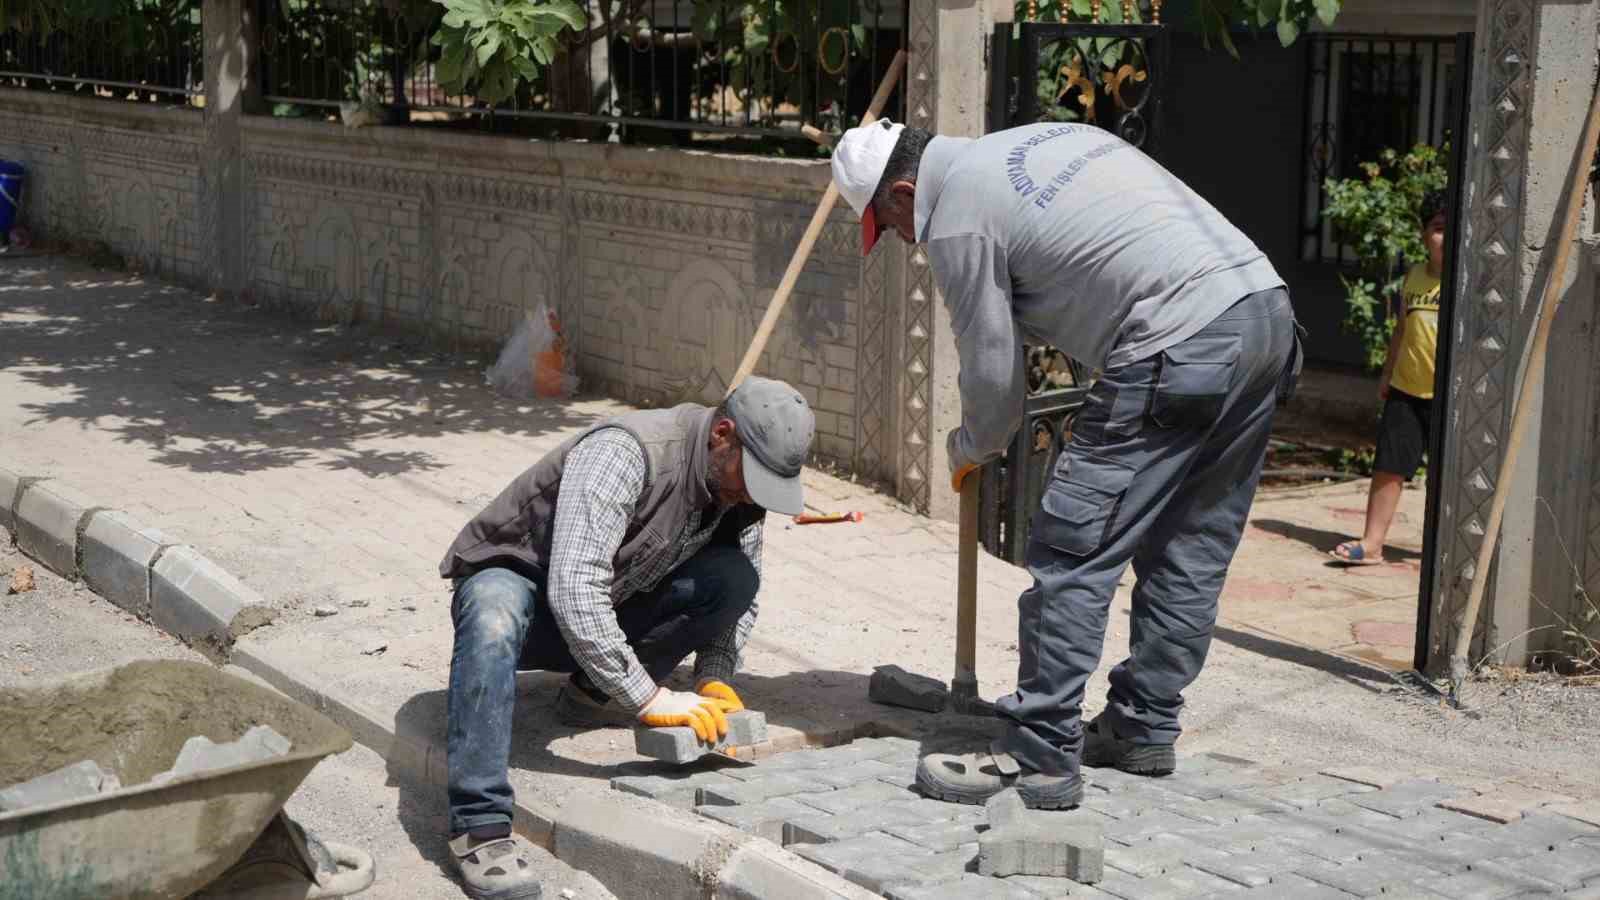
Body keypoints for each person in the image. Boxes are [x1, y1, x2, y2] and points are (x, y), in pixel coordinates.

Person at [831, 119, 1302, 809]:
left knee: (1071, 545)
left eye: (890, 225)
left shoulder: (959, 216)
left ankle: (1041, 755)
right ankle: (1142, 727)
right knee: (1191, 541)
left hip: (1179, 337)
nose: (904, 242)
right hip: (1265, 315)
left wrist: (970, 448)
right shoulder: (1037, 140)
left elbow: (996, 385)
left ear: (904, 192)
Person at [436, 377, 814, 898]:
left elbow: (743, 583)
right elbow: (574, 587)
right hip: (529, 597)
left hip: (610, 600)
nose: (752, 494)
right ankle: (479, 827)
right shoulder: (627, 451)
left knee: (732, 578)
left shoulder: (738, 485)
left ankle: (592, 693)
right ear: (722, 434)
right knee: (493, 615)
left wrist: (714, 675)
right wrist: (648, 696)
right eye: (750, 478)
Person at [1332, 192, 1446, 566]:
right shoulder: (1413, 277)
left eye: (1452, 230)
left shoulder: (1468, 283)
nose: (1444, 239)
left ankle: (1446, 550)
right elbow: (1402, 329)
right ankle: (1373, 542)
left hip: (1449, 397)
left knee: (1448, 477)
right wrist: (1387, 373)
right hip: (1406, 389)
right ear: (1423, 235)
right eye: (1438, 229)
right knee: (1389, 466)